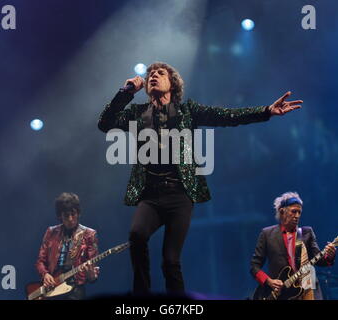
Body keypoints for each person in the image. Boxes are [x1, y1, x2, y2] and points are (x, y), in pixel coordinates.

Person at [98, 62, 302, 295]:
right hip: (150, 195)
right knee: (136, 235)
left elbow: (228, 116)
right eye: (150, 74)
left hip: (179, 195)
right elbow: (105, 123)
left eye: (160, 73)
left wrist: (266, 111)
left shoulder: (188, 111)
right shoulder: (136, 113)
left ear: (172, 84)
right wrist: (125, 93)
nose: (153, 75)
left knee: (170, 260)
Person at [250, 191, 336, 300]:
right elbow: (254, 267)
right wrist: (269, 281)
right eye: (294, 211)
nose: (297, 216)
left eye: (299, 212)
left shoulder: (306, 233)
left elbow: (319, 260)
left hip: (307, 288)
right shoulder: (267, 234)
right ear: (282, 212)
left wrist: (330, 255)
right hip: (282, 293)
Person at [35, 192, 99, 300]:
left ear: (78, 213)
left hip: (75, 289)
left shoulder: (89, 235)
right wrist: (45, 274)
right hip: (52, 287)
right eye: (66, 215)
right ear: (60, 216)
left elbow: (92, 275)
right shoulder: (51, 232)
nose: (70, 219)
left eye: (73, 214)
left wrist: (91, 274)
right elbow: (40, 261)